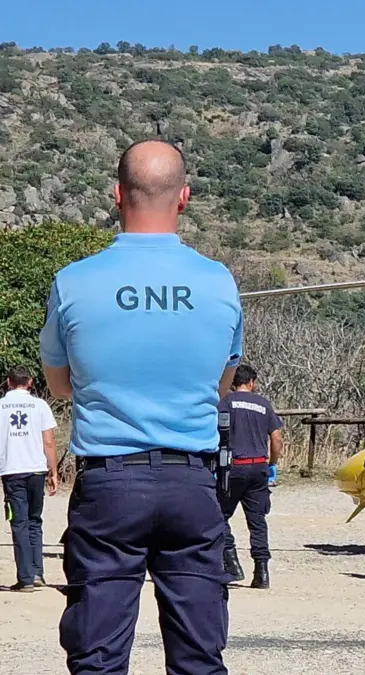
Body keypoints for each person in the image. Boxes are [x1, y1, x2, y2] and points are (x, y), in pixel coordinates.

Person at [39, 139, 243, 674]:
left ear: (116, 195)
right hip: (191, 482)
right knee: (200, 656)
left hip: (110, 485)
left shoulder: (74, 281)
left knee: (97, 655)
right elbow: (221, 386)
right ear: (184, 197)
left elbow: (60, 387)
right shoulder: (219, 282)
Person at [217, 363, 283, 589]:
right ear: (252, 382)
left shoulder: (225, 402)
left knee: (219, 515)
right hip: (258, 467)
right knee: (257, 521)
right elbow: (276, 438)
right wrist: (272, 463)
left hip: (232, 467)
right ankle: (262, 571)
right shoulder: (264, 404)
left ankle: (231, 562)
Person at [1, 366, 59, 591]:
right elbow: (49, 442)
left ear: (8, 382)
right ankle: (37, 573)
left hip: (12, 471)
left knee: (19, 523)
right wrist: (53, 470)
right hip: (36, 470)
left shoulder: (1, 407)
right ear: (31, 382)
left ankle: (25, 578)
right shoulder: (40, 405)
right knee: (35, 520)